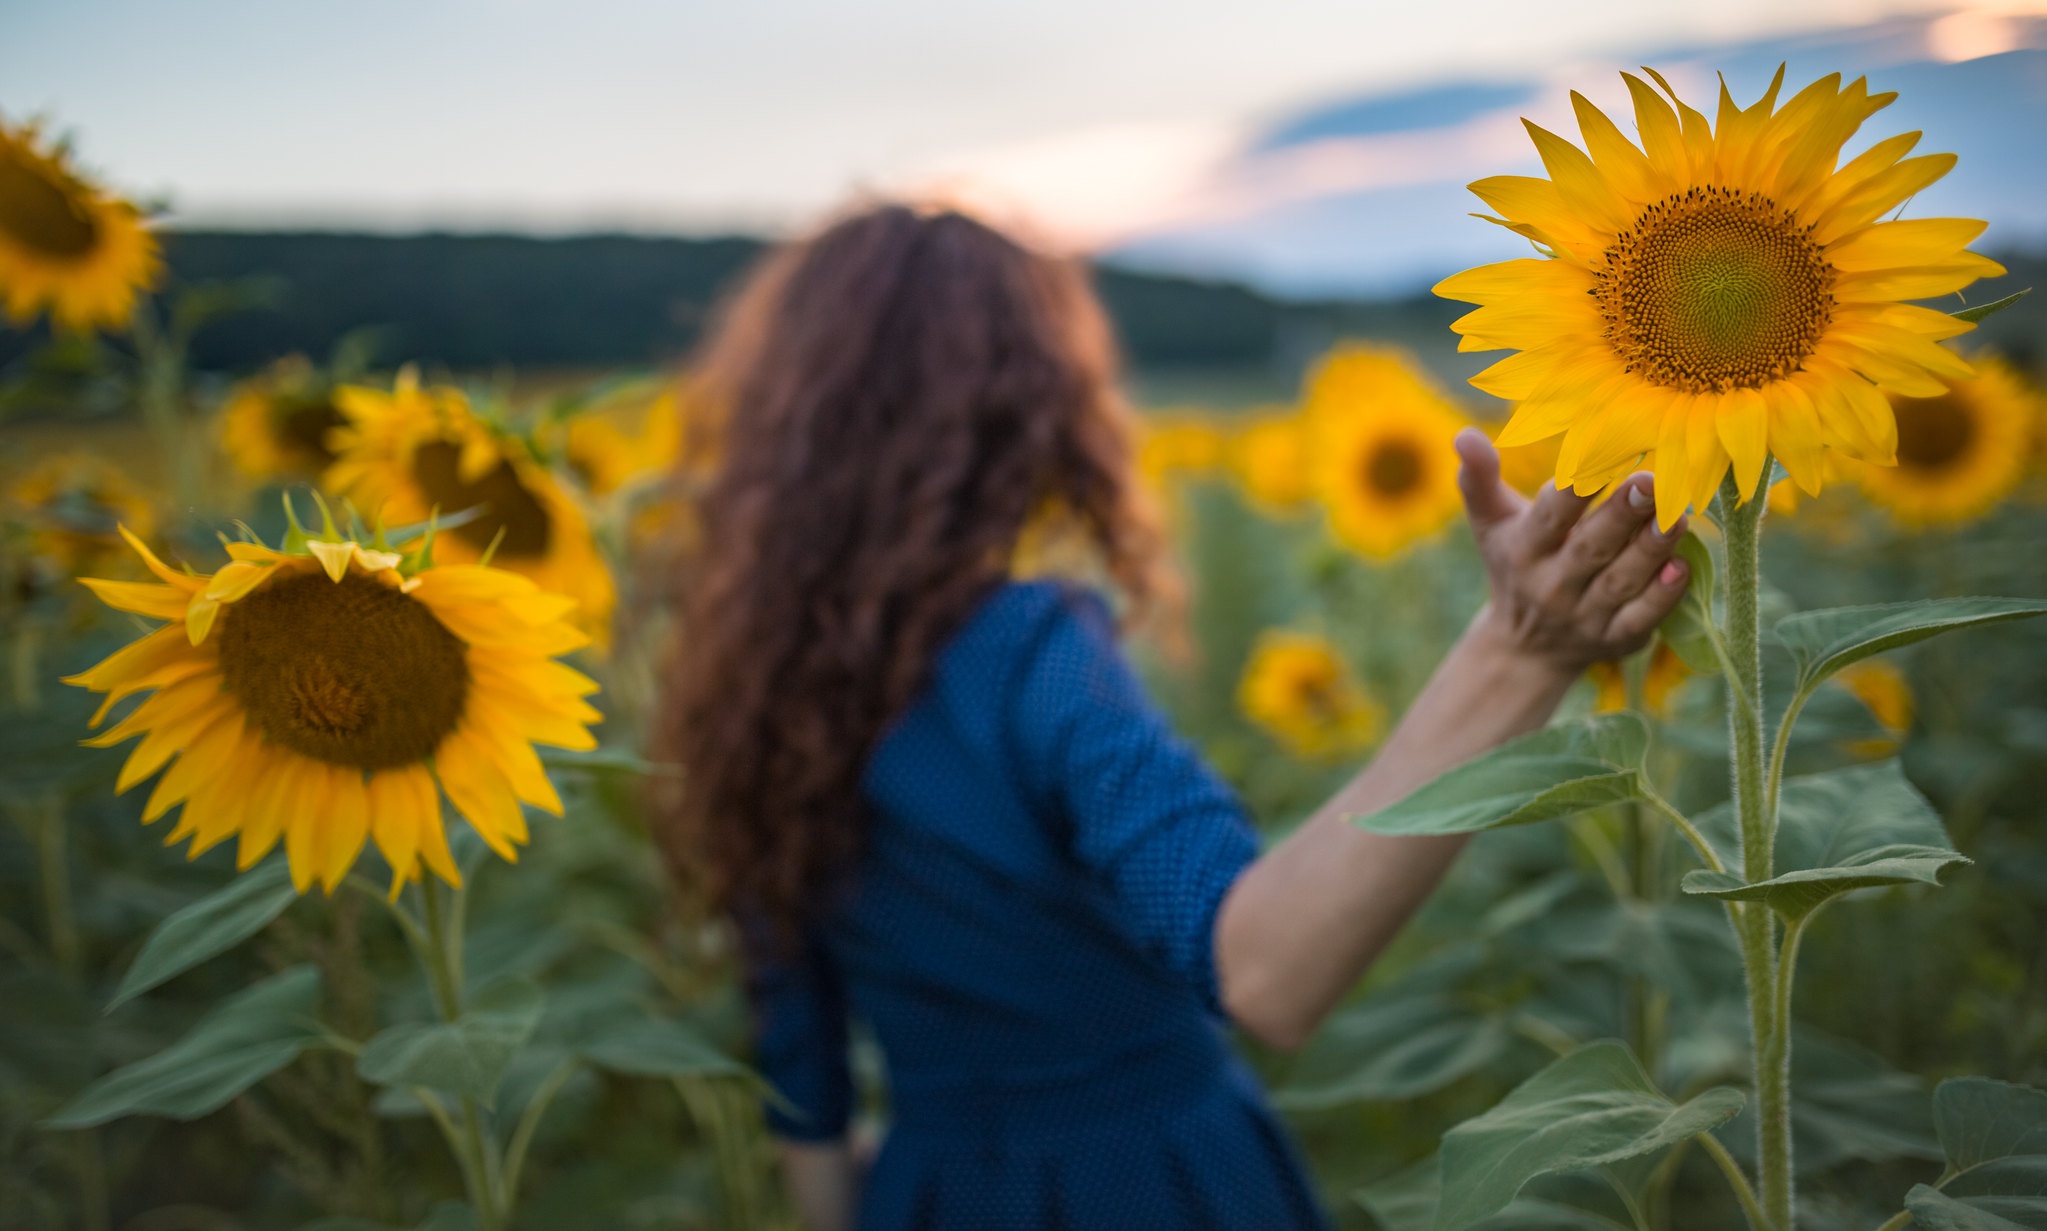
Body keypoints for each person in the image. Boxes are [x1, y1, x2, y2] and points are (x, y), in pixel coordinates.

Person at [651, 203, 1690, 1231]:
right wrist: (1517, 651)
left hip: (927, 1190)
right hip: (1151, 1181)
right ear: (1024, 414)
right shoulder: (1028, 656)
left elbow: (802, 1072)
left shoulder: (755, 704)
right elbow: (1263, 965)